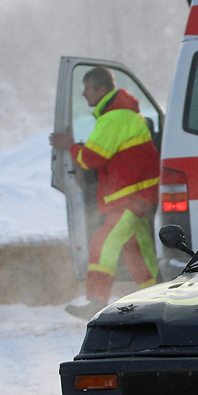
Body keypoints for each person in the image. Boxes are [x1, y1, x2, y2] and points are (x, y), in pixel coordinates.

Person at [50, 67, 161, 318]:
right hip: (141, 195)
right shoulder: (124, 114)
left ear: (101, 90)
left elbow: (91, 158)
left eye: (87, 88)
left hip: (131, 198)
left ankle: (96, 301)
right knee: (137, 252)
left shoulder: (113, 119)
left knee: (103, 243)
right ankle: (156, 297)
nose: (84, 94)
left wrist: (70, 146)